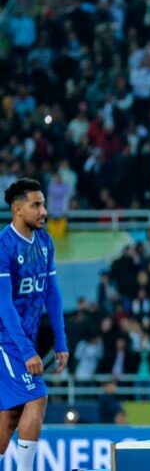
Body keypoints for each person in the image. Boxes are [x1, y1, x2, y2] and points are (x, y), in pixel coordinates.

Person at [0, 178, 68, 471]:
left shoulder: (44, 241)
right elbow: (4, 305)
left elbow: (52, 293)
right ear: (17, 210)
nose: (43, 211)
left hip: (23, 339)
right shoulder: (3, 246)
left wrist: (61, 341)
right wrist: (28, 351)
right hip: (5, 339)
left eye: (43, 203)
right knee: (38, 396)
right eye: (36, 205)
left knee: (11, 414)